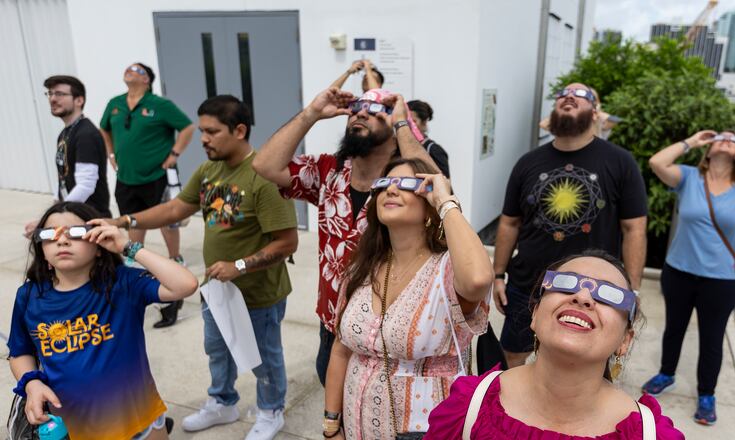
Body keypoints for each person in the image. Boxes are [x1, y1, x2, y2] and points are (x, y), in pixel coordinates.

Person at [106, 95, 298, 439]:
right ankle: (223, 403)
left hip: (259, 294)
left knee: (264, 357)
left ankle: (271, 410)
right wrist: (124, 219)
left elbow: (287, 243)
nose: (204, 139)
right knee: (217, 350)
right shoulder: (210, 170)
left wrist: (239, 265)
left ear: (239, 131)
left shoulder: (264, 177)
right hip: (216, 289)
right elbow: (175, 209)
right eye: (202, 131)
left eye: (212, 132)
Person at [253, 87, 441, 387]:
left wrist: (403, 125)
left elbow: (439, 188)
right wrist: (312, 112)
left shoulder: (404, 186)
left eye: (373, 109)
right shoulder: (329, 171)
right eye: (355, 108)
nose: (360, 113)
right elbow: (265, 165)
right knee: (335, 418)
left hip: (388, 330)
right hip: (333, 325)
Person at [426, 251, 685, 439]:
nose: (582, 296)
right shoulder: (468, 407)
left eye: (608, 295)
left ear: (624, 341)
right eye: (565, 283)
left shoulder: (649, 434)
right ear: (536, 314)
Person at [322, 157, 492, 439]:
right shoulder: (361, 267)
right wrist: (330, 425)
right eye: (385, 183)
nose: (391, 189)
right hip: (356, 425)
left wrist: (445, 201)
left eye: (406, 184)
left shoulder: (447, 270)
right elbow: (341, 350)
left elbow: (478, 279)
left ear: (429, 207)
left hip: (425, 428)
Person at [7, 202, 198, 440]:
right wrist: (31, 383)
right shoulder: (29, 296)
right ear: (42, 250)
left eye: (75, 233)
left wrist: (127, 246)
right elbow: (19, 352)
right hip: (70, 427)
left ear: (98, 245)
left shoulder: (123, 284)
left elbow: (185, 284)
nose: (62, 241)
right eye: (50, 234)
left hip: (139, 420)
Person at [493, 82, 647, 370]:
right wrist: (498, 274)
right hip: (528, 285)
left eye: (581, 95)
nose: (569, 97)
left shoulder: (621, 162)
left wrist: (633, 291)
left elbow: (634, 230)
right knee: (513, 356)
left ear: (595, 112)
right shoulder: (527, 162)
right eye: (563, 94)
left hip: (594, 293)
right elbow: (510, 222)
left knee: (588, 363)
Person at [643, 129, 735, 425]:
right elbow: (657, 162)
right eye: (718, 137)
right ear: (707, 150)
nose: (725, 139)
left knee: (712, 338)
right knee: (674, 328)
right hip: (679, 271)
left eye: (733, 139)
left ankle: (706, 394)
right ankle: (666, 373)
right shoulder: (687, 178)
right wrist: (692, 142)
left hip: (721, 280)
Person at [99, 62, 195, 328]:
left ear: (147, 80)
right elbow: (103, 128)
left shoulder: (159, 105)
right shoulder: (115, 104)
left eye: (137, 70)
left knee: (165, 219)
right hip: (126, 177)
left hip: (156, 175)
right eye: (128, 69)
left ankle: (176, 260)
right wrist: (110, 153)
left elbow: (187, 127)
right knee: (131, 219)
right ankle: (134, 261)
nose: (130, 72)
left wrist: (174, 155)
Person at [408, 99, 451, 177]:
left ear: (424, 122)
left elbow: (445, 184)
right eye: (406, 121)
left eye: (413, 122)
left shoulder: (434, 150)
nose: (408, 126)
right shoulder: (398, 147)